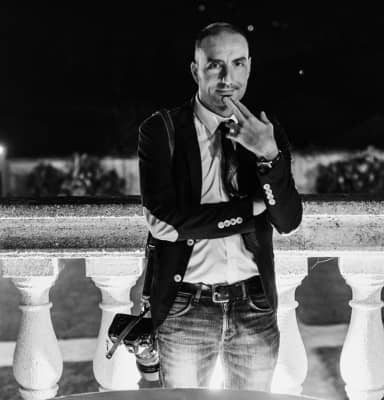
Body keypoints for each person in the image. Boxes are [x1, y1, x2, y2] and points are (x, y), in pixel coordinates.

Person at [138, 22, 302, 391]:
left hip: (254, 303)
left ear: (249, 67)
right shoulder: (161, 130)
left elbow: (288, 219)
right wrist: (250, 210)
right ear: (195, 69)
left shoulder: (265, 129)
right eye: (215, 65)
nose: (228, 78)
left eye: (238, 63)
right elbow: (165, 223)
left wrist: (269, 155)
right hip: (185, 306)